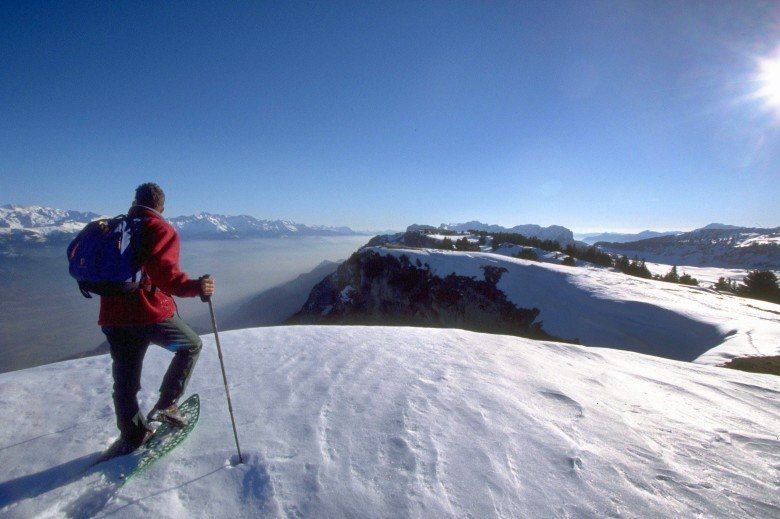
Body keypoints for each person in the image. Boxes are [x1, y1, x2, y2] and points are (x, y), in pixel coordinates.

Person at [99, 183, 215, 456]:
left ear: (135, 201)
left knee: (125, 381)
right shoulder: (159, 228)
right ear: (161, 205)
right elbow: (168, 278)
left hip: (113, 316)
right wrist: (198, 287)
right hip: (147, 312)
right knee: (191, 345)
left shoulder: (115, 228)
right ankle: (167, 403)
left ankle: (133, 433)